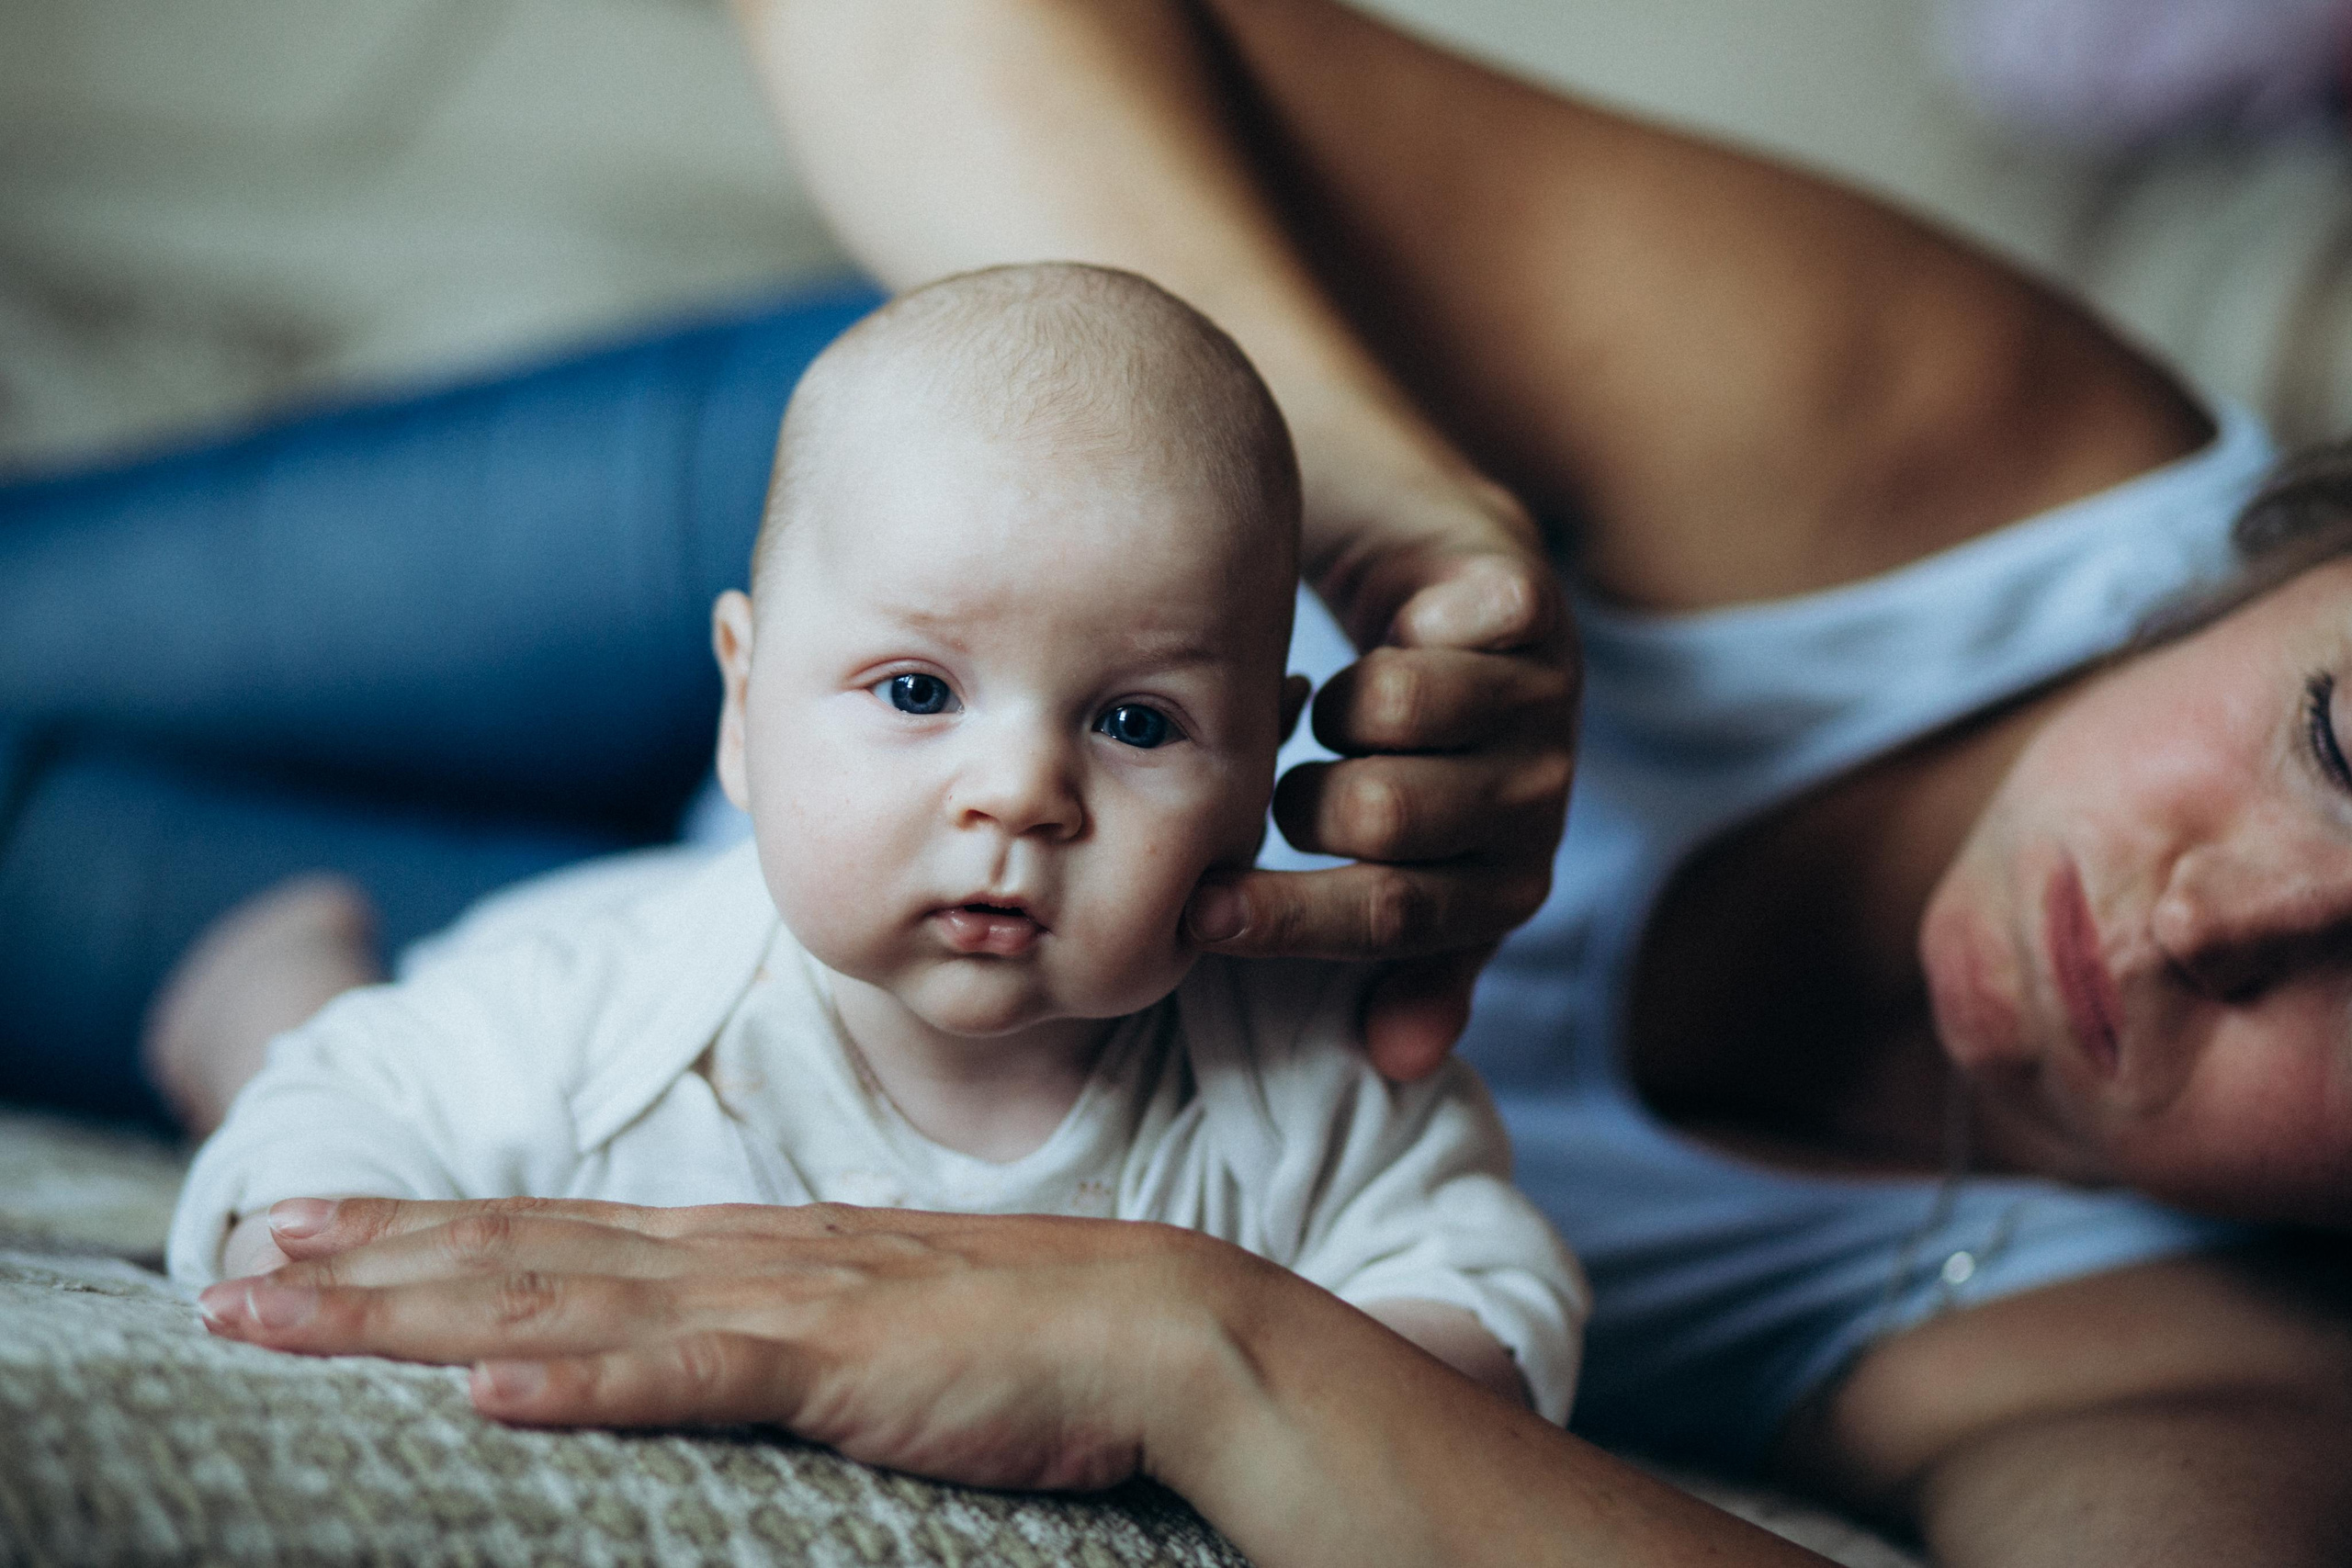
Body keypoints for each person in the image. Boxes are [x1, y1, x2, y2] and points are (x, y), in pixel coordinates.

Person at [46, 0, 2352, 1562]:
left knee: (134, 917)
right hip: (890, 526)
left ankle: (252, 971)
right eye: (2337, 742)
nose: (2209, 913)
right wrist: (1358, 498)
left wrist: (1197, 1344)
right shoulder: (1942, 455)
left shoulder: (2202, 1387)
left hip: (668, 1000)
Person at [168, 262, 1585, 1419]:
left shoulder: (1301, 1081)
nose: (1023, 792)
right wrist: (299, 1224)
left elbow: (1492, 1315)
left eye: (1139, 723)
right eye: (918, 693)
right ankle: (262, 979)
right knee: (311, 1042)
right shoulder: (600, 1013)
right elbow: (337, 1122)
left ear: (1259, 763)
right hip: (584, 918)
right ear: (742, 698)